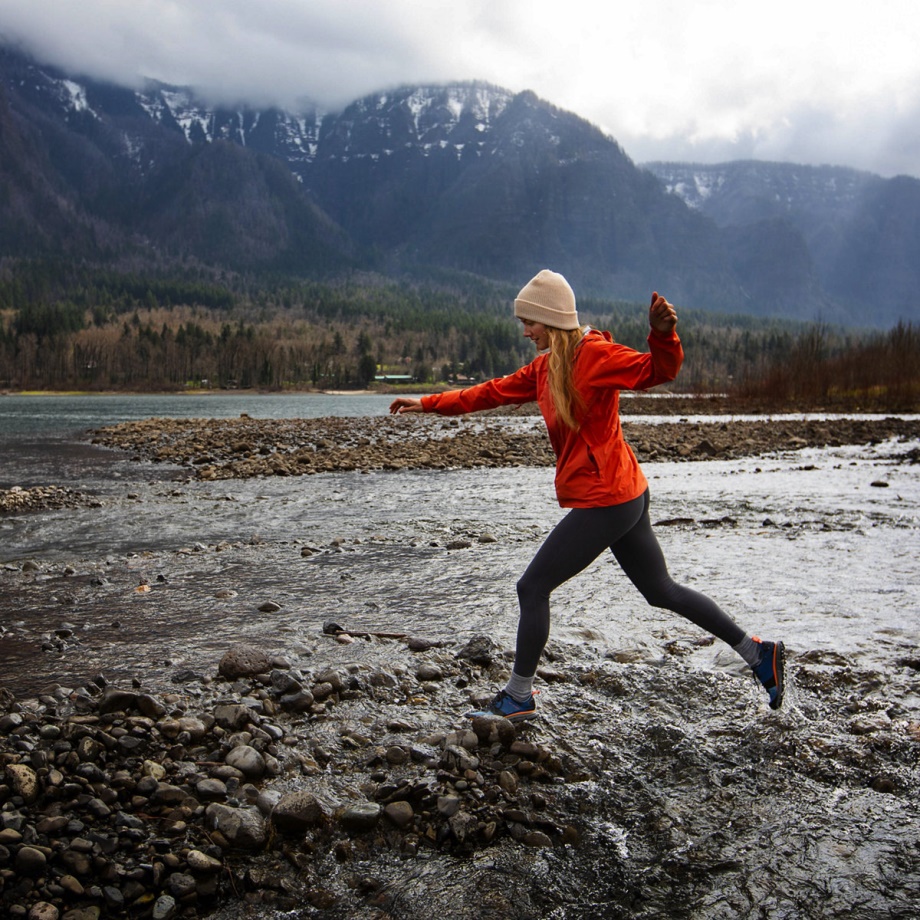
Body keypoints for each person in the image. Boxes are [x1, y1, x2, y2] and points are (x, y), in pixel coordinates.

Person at [389, 269, 785, 721]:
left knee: (532, 587)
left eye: (530, 322)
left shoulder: (594, 354)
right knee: (659, 589)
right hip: (624, 491)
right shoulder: (546, 367)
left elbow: (656, 371)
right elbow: (491, 393)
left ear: (552, 320)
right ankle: (756, 653)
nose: (525, 331)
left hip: (609, 499)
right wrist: (428, 403)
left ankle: (519, 696)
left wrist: (663, 334)